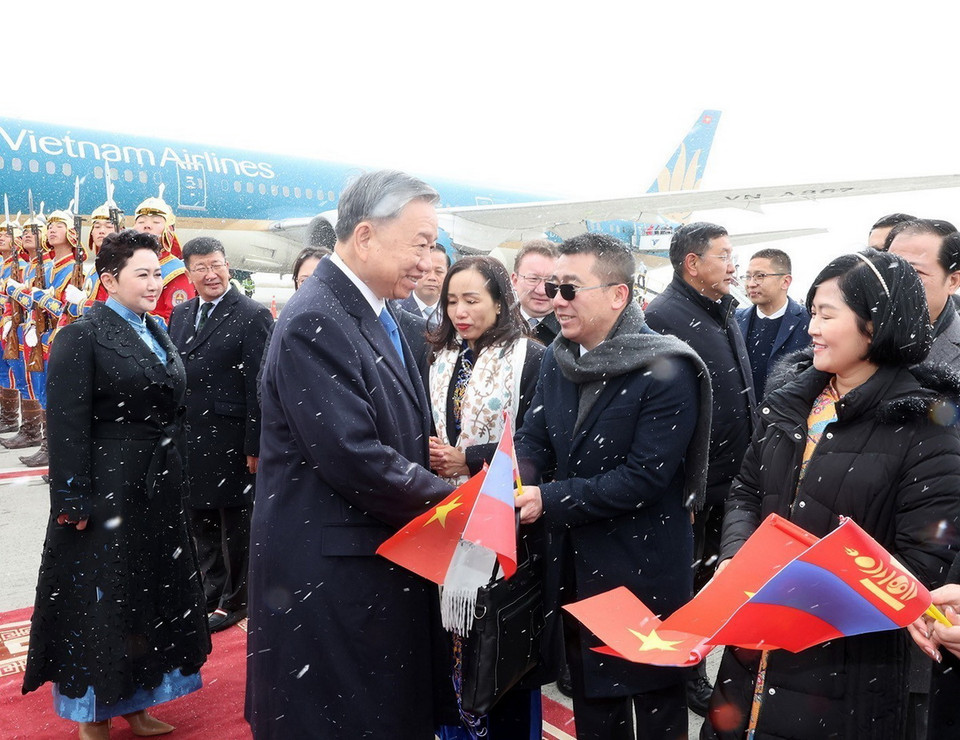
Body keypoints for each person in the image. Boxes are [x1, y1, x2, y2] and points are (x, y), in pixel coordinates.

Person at [702, 250, 960, 740]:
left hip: (846, 665)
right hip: (752, 645)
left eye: (827, 314)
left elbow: (924, 563)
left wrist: (802, 594)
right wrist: (735, 559)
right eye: (812, 312)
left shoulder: (927, 426)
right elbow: (746, 491)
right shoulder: (792, 403)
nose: (812, 328)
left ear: (875, 324)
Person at [246, 170, 455, 738]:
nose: (429, 259)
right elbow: (354, 458)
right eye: (421, 243)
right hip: (335, 571)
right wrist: (460, 504)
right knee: (347, 717)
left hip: (371, 557)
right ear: (365, 237)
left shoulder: (383, 313)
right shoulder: (318, 318)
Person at [514, 233, 712, 740]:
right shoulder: (562, 360)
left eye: (570, 288)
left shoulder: (666, 368)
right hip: (577, 566)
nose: (556, 299)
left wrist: (548, 498)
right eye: (554, 287)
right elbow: (532, 437)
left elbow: (644, 477)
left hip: (641, 567)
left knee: (654, 707)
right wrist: (518, 482)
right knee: (592, 707)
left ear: (618, 295)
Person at [21, 229, 211, 740]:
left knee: (147, 593)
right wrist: (71, 496)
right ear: (109, 279)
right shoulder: (81, 334)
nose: (154, 284)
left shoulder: (156, 328)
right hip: (106, 488)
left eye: (157, 273)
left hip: (156, 488)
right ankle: (94, 715)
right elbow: (66, 422)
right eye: (142, 274)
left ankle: (139, 700)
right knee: (104, 598)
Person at [427, 254, 546, 738]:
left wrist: (469, 460)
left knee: (501, 640)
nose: (461, 311)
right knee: (452, 638)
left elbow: (539, 443)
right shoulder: (438, 357)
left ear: (500, 302)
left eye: (473, 300)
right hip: (446, 514)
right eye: (452, 300)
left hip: (504, 518)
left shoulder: (531, 357)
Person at [644, 221, 755, 714]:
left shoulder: (720, 310)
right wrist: (684, 487)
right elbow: (663, 414)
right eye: (724, 256)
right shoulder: (664, 316)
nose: (734, 266)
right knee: (688, 588)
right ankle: (684, 678)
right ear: (692, 263)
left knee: (716, 583)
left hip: (730, 478)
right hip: (696, 487)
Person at [169, 236, 273, 633]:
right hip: (190, 436)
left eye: (217, 265)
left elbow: (258, 387)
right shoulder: (181, 314)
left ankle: (237, 598)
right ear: (189, 273)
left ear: (228, 266)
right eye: (201, 268)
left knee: (236, 524)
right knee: (200, 521)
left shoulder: (252, 314)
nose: (211, 274)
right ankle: (209, 591)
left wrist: (255, 444)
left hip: (231, 439)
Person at [736, 248, 810, 399]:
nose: (751, 284)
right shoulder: (734, 320)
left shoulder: (809, 321)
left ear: (785, 281)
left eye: (760, 276)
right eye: (748, 276)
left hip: (787, 415)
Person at [889, 221, 960, 365]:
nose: (896, 281)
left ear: (953, 281)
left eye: (915, 272)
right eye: (890, 269)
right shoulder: (855, 328)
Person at [132, 190, 195, 326]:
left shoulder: (176, 272)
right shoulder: (126, 264)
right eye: (141, 221)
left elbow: (178, 323)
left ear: (168, 230)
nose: (147, 225)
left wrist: (132, 322)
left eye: (156, 222)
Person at [511, 239, 560, 344]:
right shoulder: (495, 324)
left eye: (550, 281)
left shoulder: (572, 333)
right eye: (533, 279)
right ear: (515, 281)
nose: (541, 290)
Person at [398, 245, 450, 328]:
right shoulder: (397, 310)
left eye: (439, 272)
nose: (432, 278)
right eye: (426, 271)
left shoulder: (453, 312)